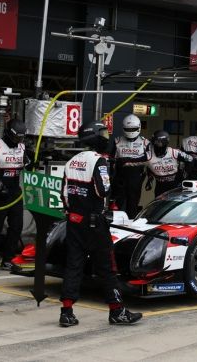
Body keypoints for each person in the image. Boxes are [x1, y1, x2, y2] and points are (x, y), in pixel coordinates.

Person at [59, 120, 142, 327]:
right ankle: (117, 311)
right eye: (103, 133)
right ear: (95, 137)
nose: (106, 137)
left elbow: (64, 195)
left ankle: (66, 312)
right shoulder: (99, 161)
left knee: (73, 266)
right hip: (95, 224)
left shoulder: (71, 162)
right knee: (107, 267)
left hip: (74, 222)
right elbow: (102, 190)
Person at [0, 119, 29, 273]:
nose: (18, 141)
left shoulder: (22, 146)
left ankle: (8, 260)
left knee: (16, 227)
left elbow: (27, 163)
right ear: (9, 133)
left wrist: (32, 162)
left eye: (21, 138)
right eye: (16, 138)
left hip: (15, 193)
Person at [110, 114, 149, 219]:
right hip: (120, 176)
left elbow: (149, 160)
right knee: (117, 203)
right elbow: (111, 160)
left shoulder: (145, 142)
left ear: (139, 127)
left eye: (133, 128)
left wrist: (149, 177)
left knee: (133, 203)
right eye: (128, 128)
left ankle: (131, 223)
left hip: (136, 176)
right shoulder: (117, 140)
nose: (131, 131)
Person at [144, 130, 195, 197]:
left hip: (175, 184)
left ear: (163, 143)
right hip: (160, 185)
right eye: (153, 142)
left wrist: (184, 175)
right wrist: (150, 180)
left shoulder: (174, 152)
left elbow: (190, 159)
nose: (154, 145)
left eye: (156, 142)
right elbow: (149, 166)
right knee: (159, 205)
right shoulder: (149, 155)